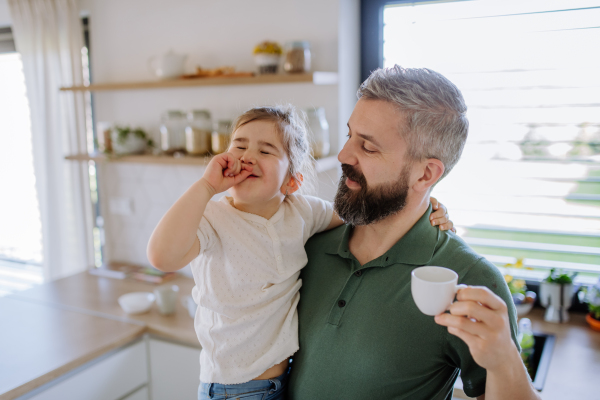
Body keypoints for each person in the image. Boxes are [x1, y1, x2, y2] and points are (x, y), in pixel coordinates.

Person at [146, 105, 454, 400]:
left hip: (282, 382)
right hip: (233, 389)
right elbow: (162, 257)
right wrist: (205, 186)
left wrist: (426, 207)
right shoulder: (213, 217)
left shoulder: (303, 212)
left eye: (266, 150)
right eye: (239, 146)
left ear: (292, 181)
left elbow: (365, 211)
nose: (249, 156)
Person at [287, 66, 541, 400]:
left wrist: (505, 360)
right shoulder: (308, 243)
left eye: (368, 147)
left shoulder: (468, 279)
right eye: (350, 135)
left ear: (425, 175)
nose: (344, 155)